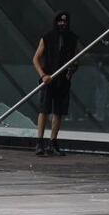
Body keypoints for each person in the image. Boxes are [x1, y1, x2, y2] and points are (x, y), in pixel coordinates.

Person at [31, 11, 79, 156]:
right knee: (44, 110)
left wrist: (72, 70)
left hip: (63, 80)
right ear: (55, 22)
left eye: (65, 21)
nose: (62, 24)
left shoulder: (72, 38)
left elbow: (76, 59)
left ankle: (53, 142)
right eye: (60, 21)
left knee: (59, 112)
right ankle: (39, 142)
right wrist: (43, 75)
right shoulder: (47, 38)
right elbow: (35, 59)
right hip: (48, 79)